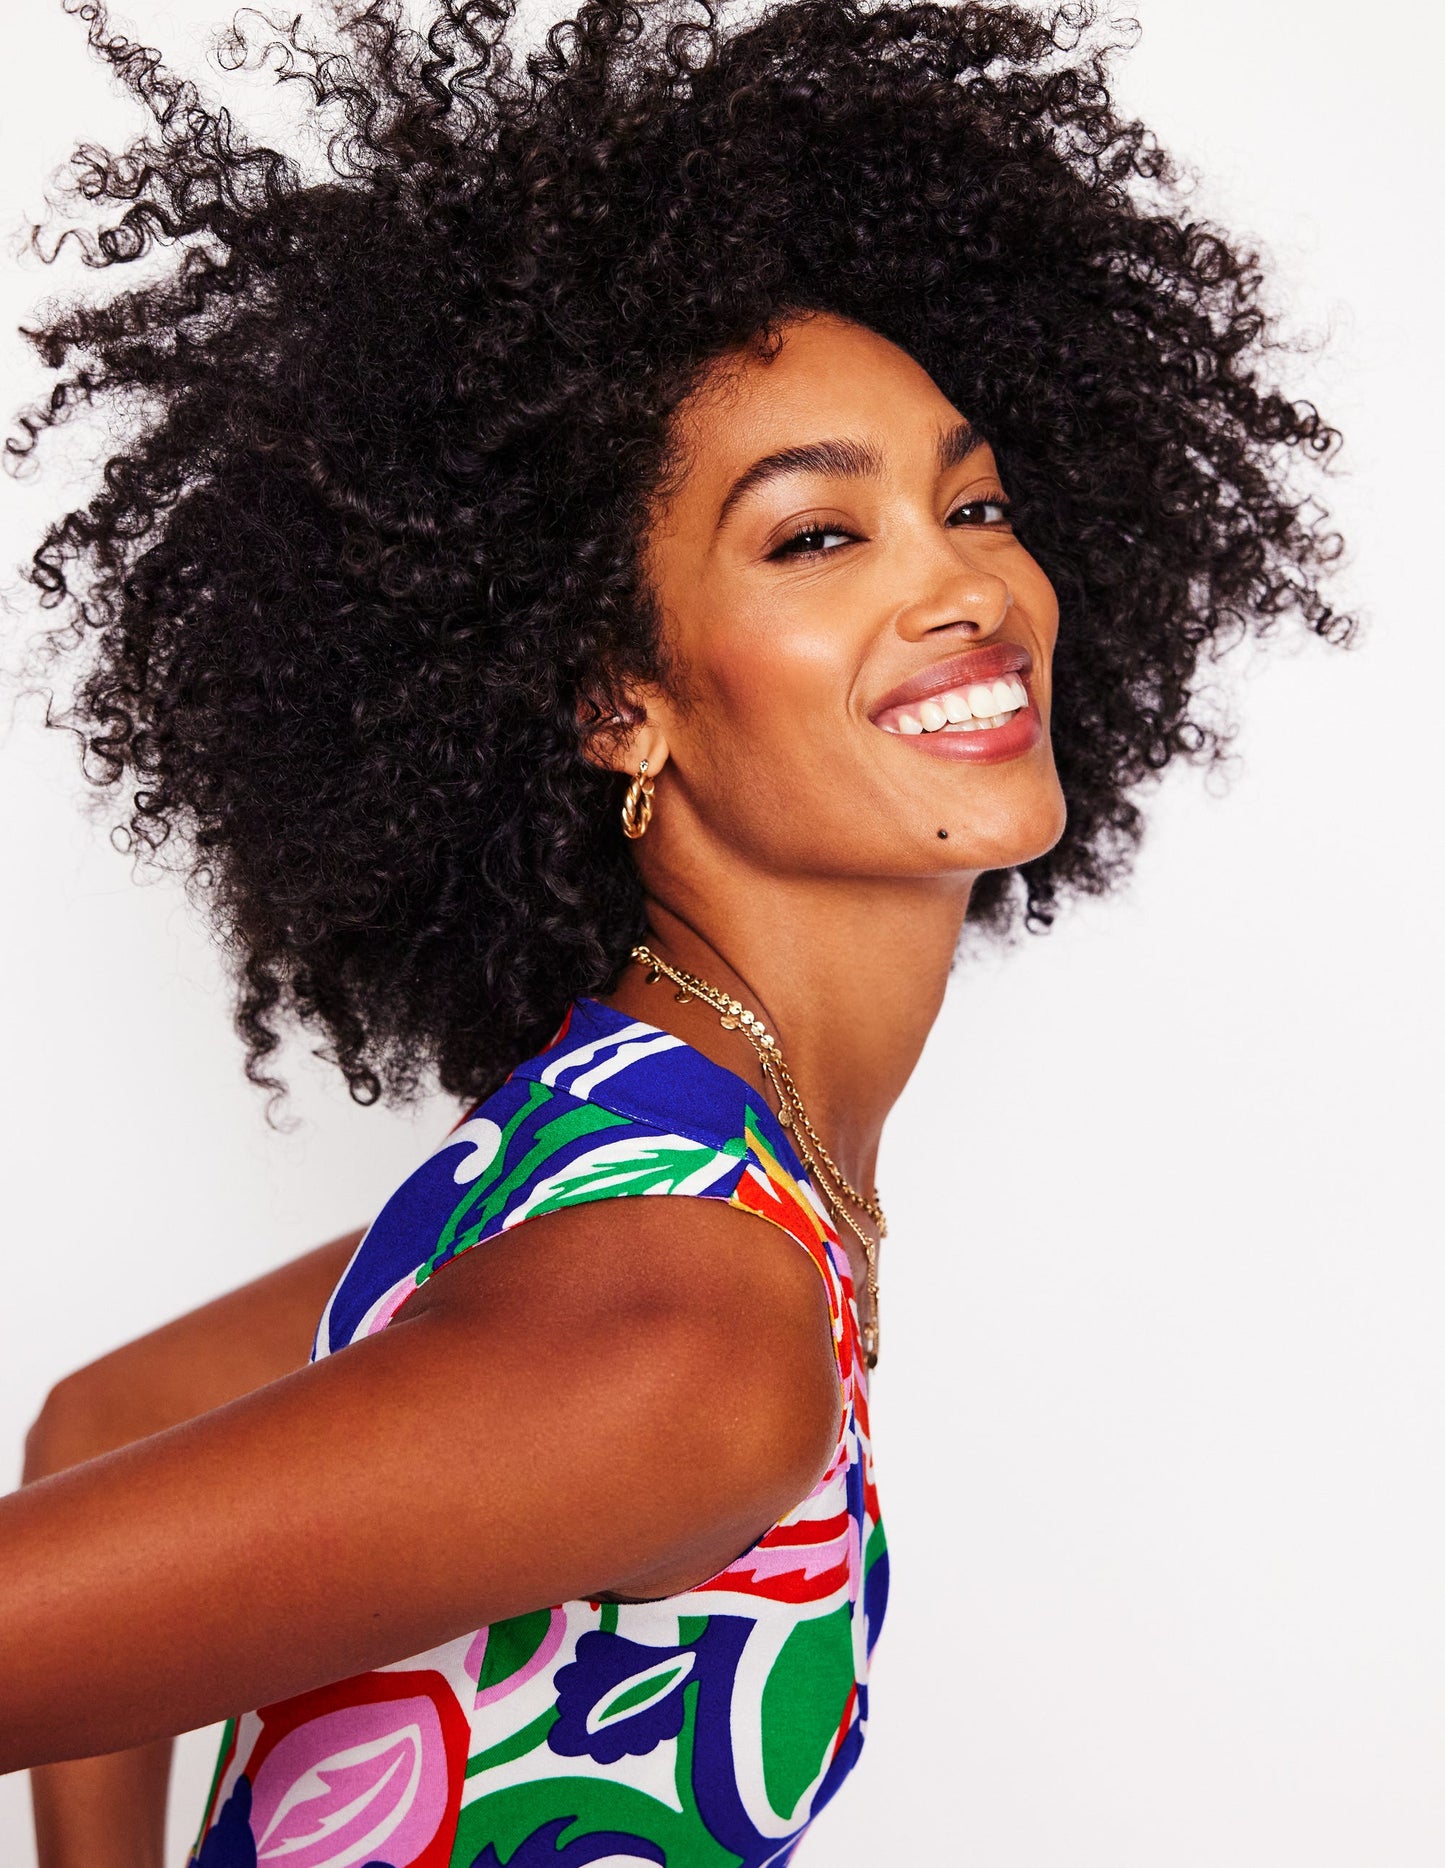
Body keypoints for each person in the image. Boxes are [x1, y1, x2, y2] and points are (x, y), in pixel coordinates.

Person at [6, 0, 1351, 1861]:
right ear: (616, 704)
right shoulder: (688, 1317)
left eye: (972, 502)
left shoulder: (642, 1133)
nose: (963, 583)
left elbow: (106, 1420)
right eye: (815, 537)